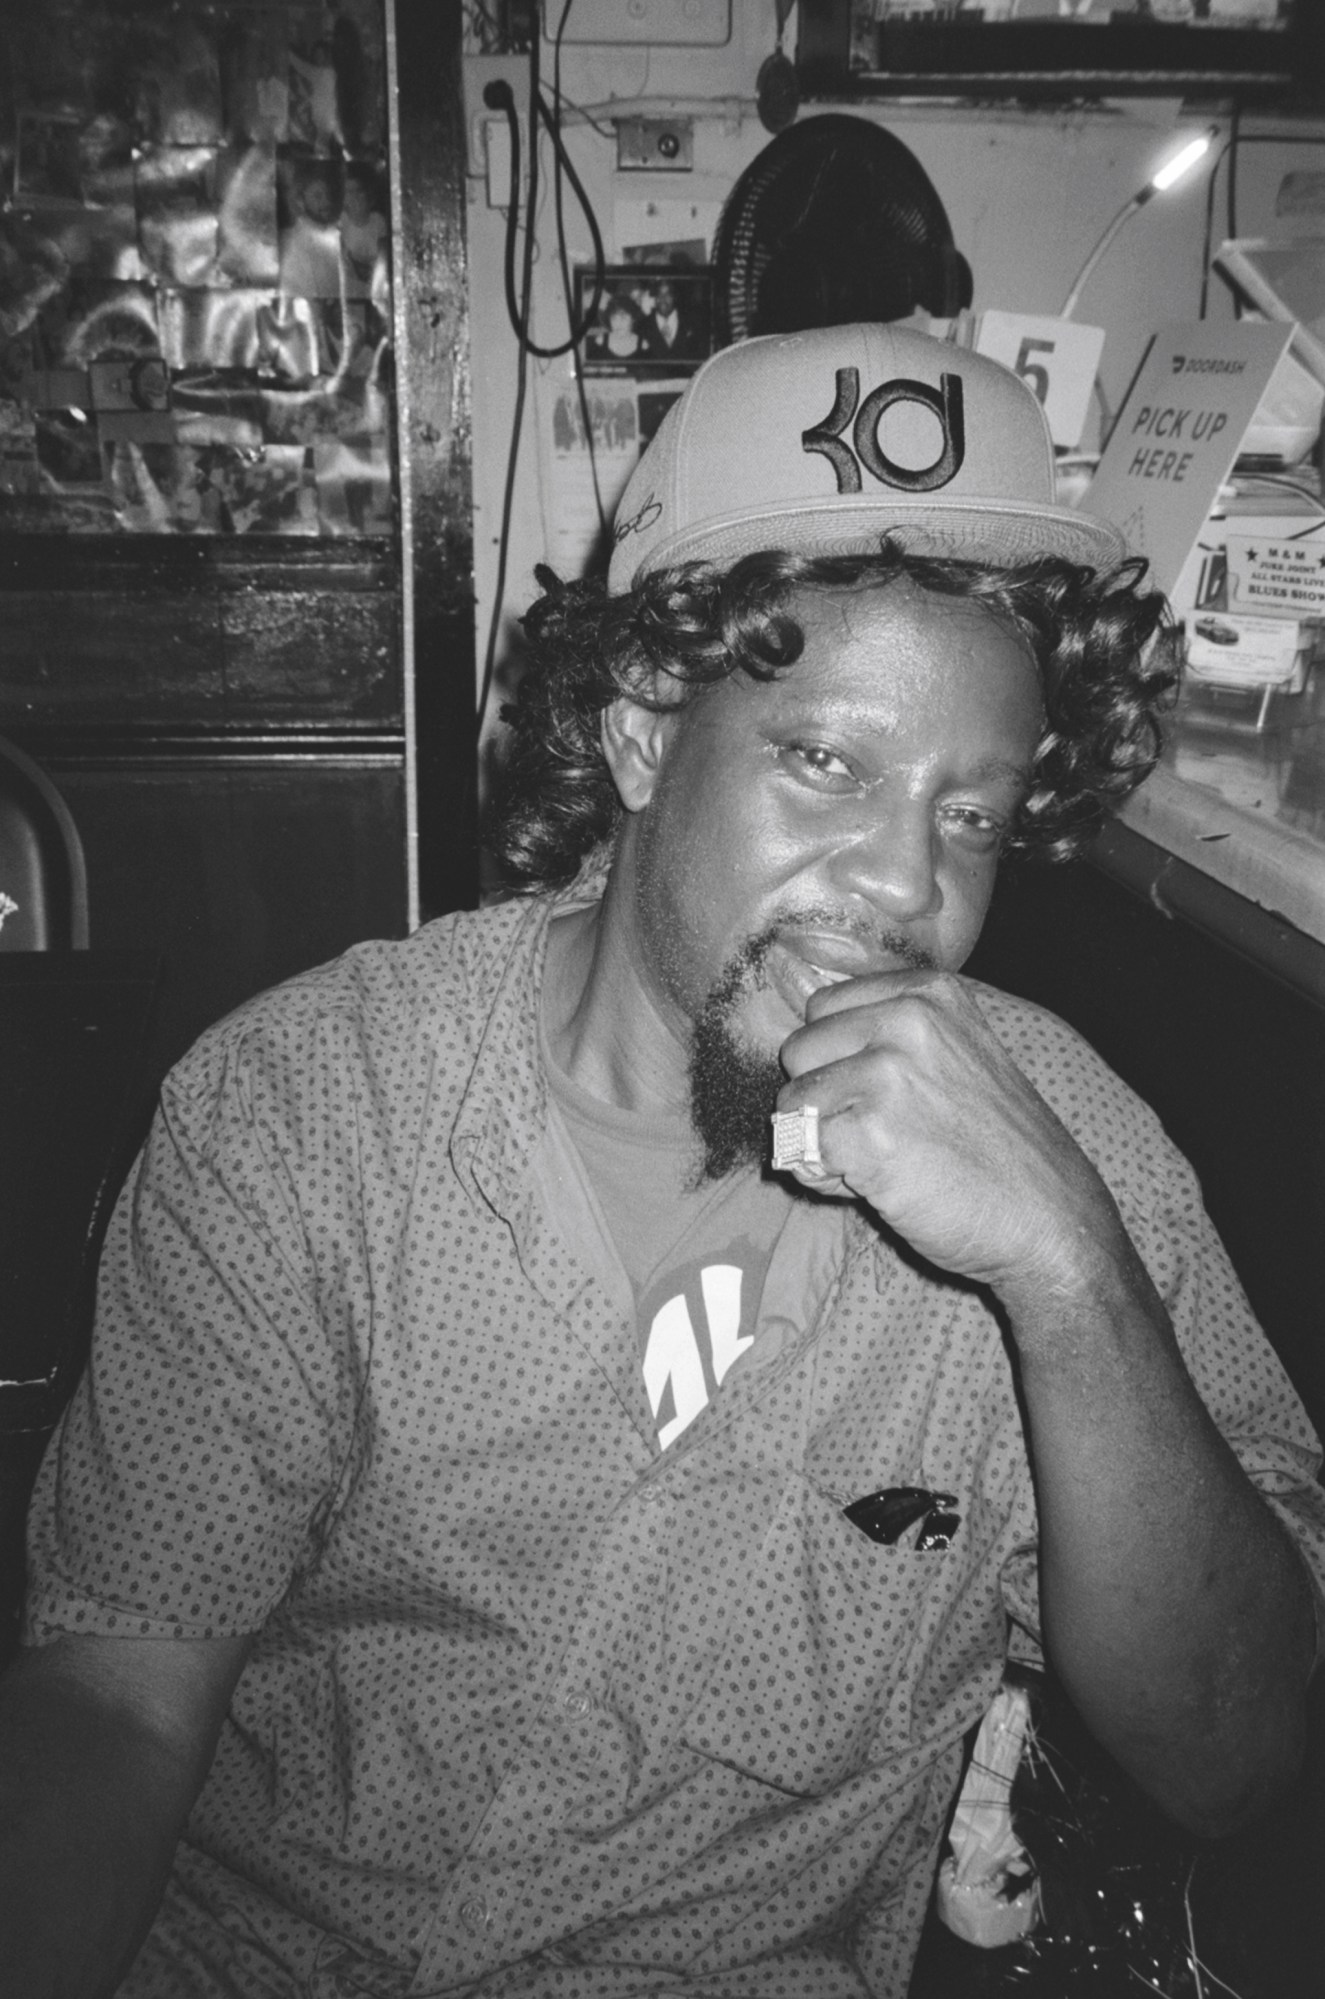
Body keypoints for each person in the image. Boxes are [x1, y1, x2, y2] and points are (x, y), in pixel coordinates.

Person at [2, 323, 1322, 1999]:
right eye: (827, 764)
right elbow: (111, 1700)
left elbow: (1235, 1752)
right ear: (640, 735)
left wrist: (1065, 1281)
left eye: (970, 812)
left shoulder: (1083, 1171)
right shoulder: (303, 1111)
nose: (905, 890)